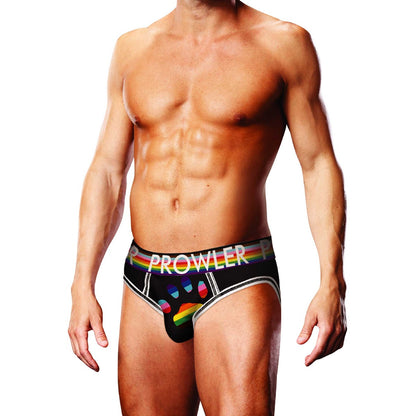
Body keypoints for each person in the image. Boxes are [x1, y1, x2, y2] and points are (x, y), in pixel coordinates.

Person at [68, 1, 347, 414]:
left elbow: (318, 164)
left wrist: (332, 281)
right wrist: (82, 283)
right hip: (146, 278)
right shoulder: (133, 48)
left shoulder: (283, 44)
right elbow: (107, 170)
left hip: (236, 275)